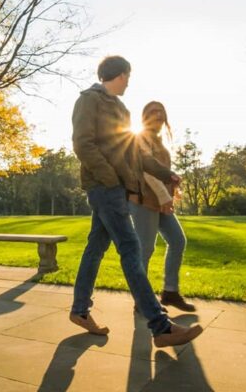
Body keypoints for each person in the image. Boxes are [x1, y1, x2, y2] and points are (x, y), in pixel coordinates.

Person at [69, 55, 203, 348]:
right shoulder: (89, 101)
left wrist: (167, 173)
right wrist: (109, 178)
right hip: (105, 188)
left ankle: (80, 311)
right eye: (127, 76)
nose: (129, 81)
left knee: (95, 248)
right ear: (117, 75)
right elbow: (82, 143)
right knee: (131, 248)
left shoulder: (121, 108)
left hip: (116, 188)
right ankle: (160, 325)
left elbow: (136, 154)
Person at [132, 101, 196, 313]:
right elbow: (147, 170)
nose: (158, 115)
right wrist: (163, 196)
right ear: (144, 117)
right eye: (153, 112)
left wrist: (171, 191)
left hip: (161, 202)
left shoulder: (159, 142)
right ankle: (142, 301)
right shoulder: (140, 138)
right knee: (145, 249)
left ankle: (170, 292)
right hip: (143, 202)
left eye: (161, 112)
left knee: (177, 240)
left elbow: (160, 171)